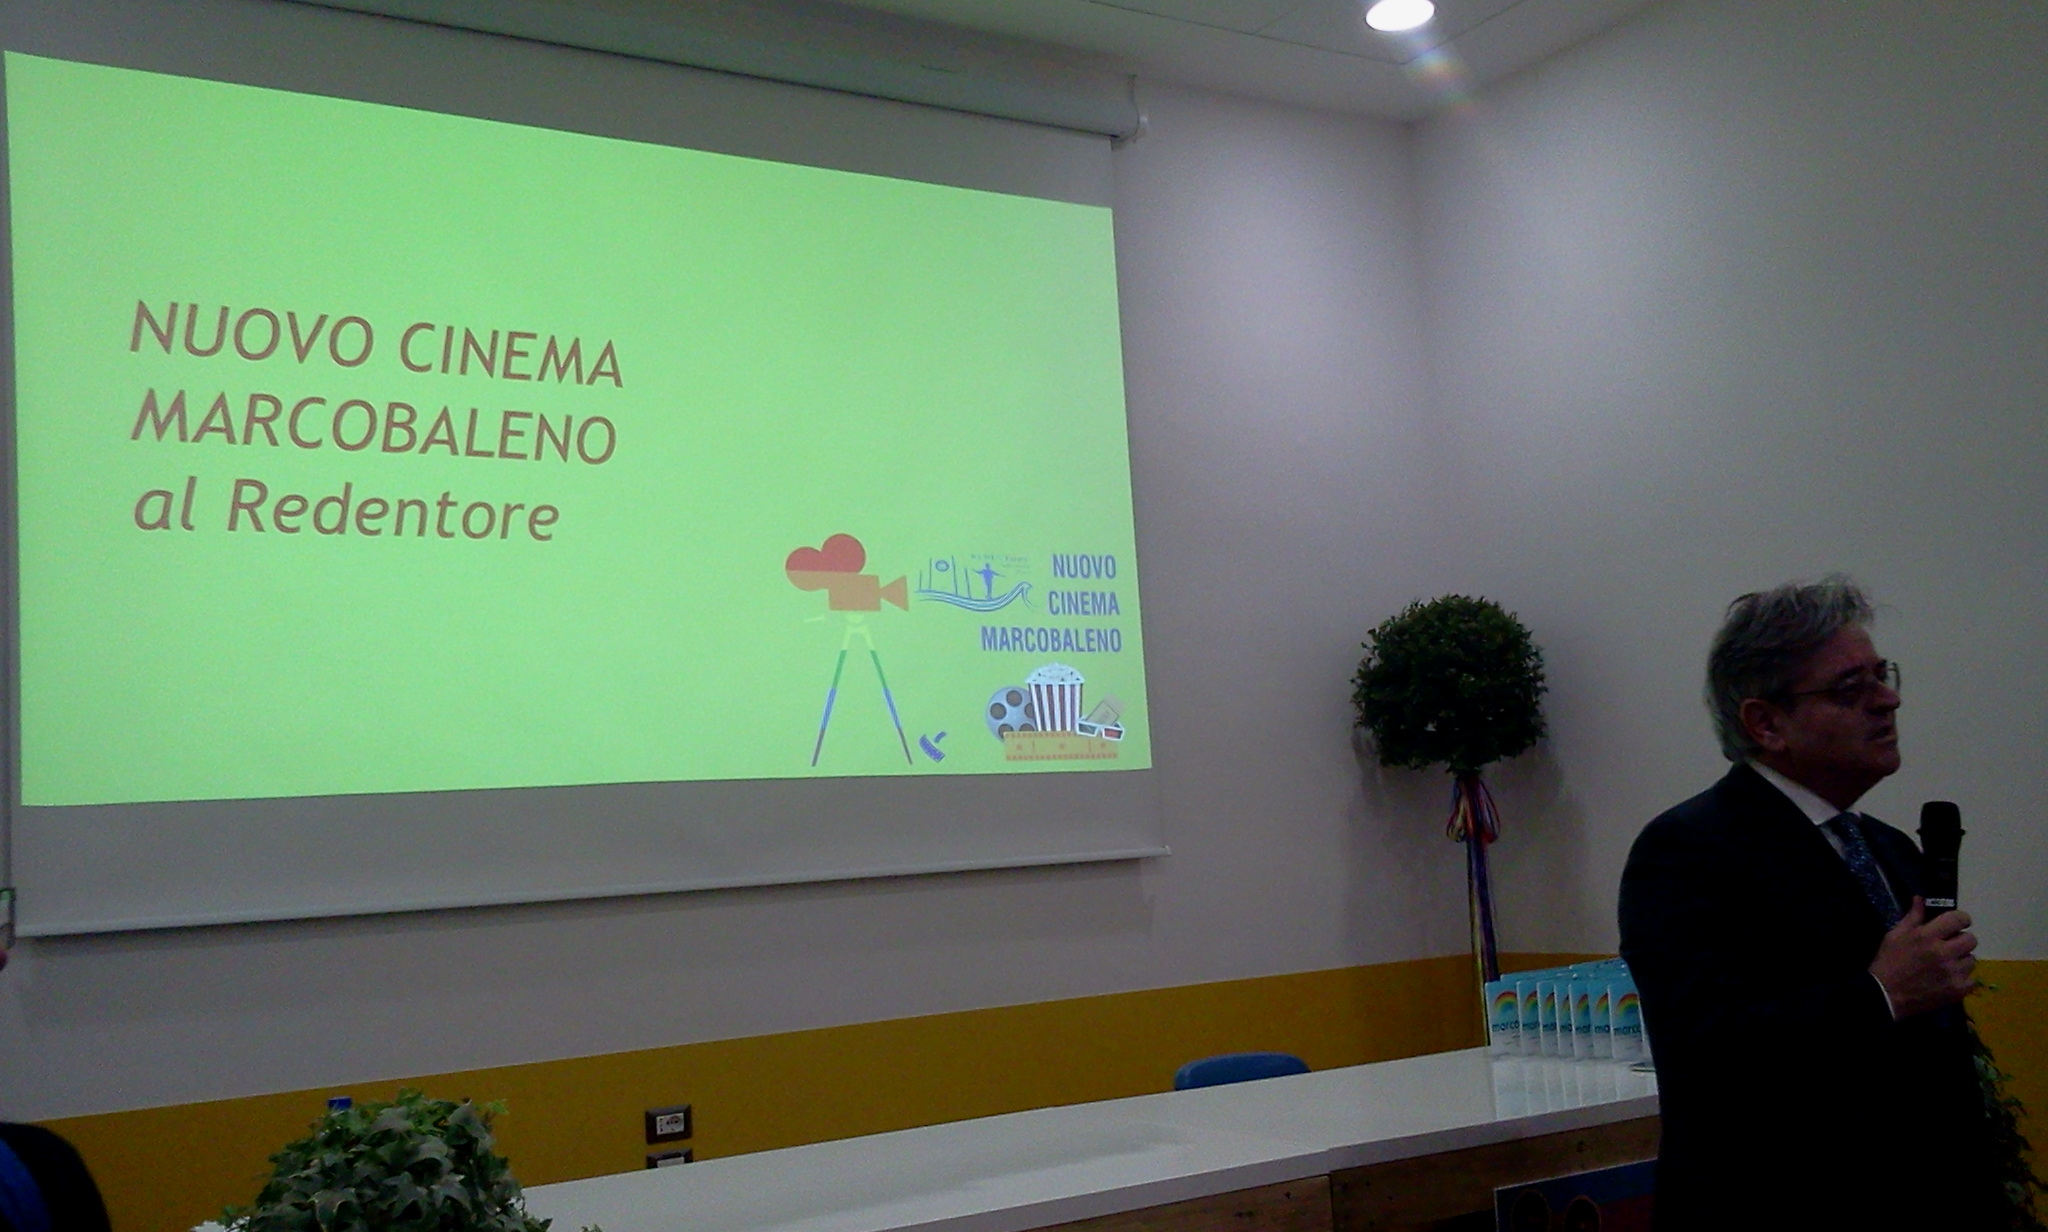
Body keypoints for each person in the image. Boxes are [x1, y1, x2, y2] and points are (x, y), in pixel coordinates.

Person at [1617, 577, 1999, 1230]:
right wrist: (1880, 994)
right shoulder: (1687, 851)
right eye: (1850, 688)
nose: (1888, 700)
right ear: (1766, 723)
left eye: (1882, 675)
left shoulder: (1888, 848)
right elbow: (1708, 1054)